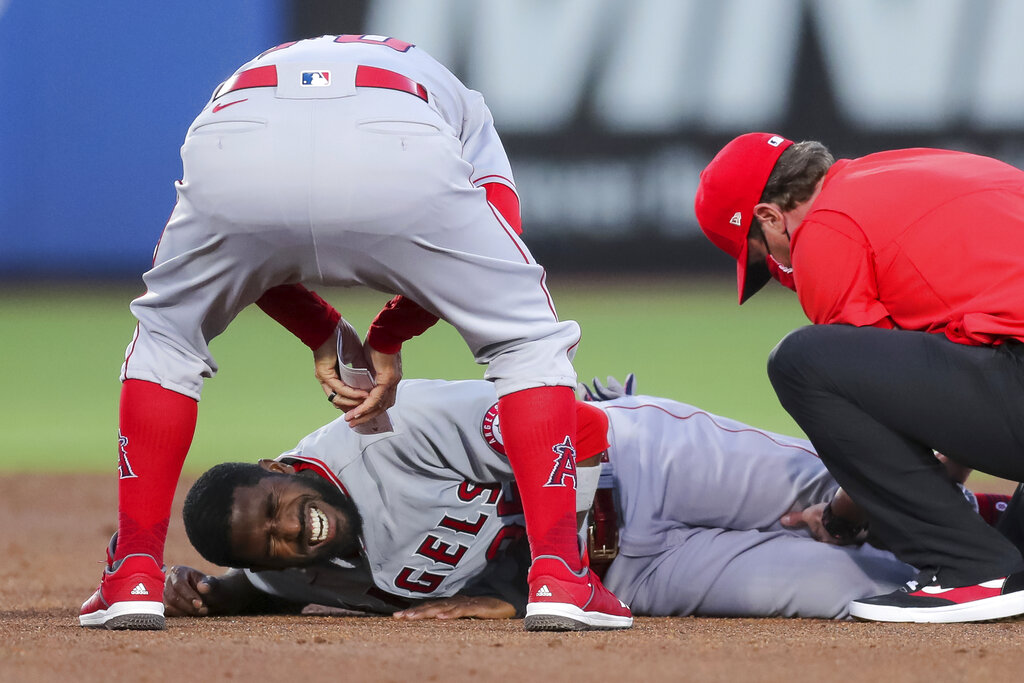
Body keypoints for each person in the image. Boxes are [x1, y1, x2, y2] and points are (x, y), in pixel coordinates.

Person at [80, 34, 629, 632]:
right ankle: (556, 575)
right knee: (526, 346)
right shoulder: (458, 98)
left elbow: (241, 254)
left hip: (235, 139)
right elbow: (500, 230)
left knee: (166, 344)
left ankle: (133, 572)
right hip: (396, 136)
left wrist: (323, 329)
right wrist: (389, 333)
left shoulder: (248, 76)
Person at [162, 376, 938, 623]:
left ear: (280, 467)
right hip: (635, 575)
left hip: (648, 462)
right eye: (268, 540)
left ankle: (1000, 526)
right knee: (853, 592)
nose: (289, 528)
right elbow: (258, 587)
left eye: (274, 505)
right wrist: (208, 593)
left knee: (854, 491)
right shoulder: (293, 571)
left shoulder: (386, 431)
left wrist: (514, 591)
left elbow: (568, 422)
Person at [693, 132, 1024, 622]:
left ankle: (968, 568)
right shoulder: (905, 168)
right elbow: (954, 373)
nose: (782, 269)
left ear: (768, 217)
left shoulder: (825, 231)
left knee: (801, 361)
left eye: (766, 254)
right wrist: (945, 479)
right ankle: (993, 565)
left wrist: (842, 516)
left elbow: (889, 412)